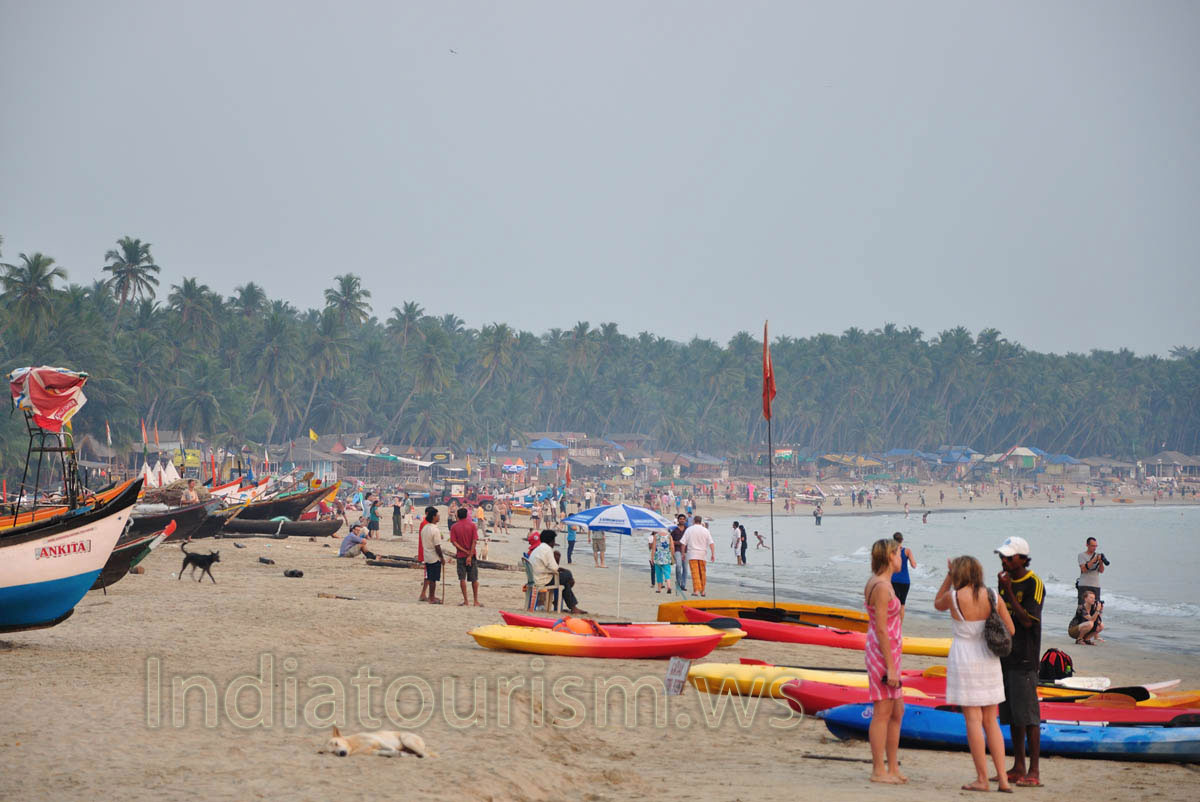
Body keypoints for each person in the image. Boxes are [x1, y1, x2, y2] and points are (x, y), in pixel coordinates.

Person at [935, 556, 1015, 793]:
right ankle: (1002, 779)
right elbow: (1010, 629)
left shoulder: (954, 597)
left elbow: (937, 603)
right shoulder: (992, 594)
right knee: (992, 720)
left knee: (973, 720)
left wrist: (948, 575)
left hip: (965, 658)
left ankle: (981, 778)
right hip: (989, 658)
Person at [995, 536, 1044, 787]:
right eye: (1002, 557)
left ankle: (1033, 771)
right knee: (1013, 715)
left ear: (1022, 559)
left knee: (1029, 715)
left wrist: (1010, 592)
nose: (1004, 561)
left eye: (1009, 557)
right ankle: (1018, 766)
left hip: (1025, 656)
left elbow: (1027, 621)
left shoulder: (1033, 583)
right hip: (1006, 656)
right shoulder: (1005, 582)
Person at [864, 538, 906, 784]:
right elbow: (880, 628)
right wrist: (890, 665)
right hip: (882, 654)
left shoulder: (885, 584)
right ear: (890, 556)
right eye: (898, 553)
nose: (901, 557)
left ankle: (893, 767)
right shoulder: (880, 586)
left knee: (897, 710)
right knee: (883, 711)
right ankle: (879, 770)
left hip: (890, 652)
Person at [529, 530, 585, 613]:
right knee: (568, 575)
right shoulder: (547, 549)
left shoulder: (539, 548)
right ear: (552, 541)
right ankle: (567, 604)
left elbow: (551, 567)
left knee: (565, 581)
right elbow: (555, 568)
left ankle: (570, 606)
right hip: (543, 580)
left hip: (535, 578)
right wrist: (565, 571)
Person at [449, 507, 481, 607]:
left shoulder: (454, 527)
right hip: (471, 555)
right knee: (474, 579)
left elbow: (454, 542)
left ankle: (466, 600)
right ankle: (475, 601)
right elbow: (474, 541)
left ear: (458, 515)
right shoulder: (472, 526)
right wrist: (470, 555)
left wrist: (464, 551)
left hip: (461, 555)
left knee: (462, 578)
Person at [681, 515, 714, 596]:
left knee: (695, 572)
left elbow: (683, 543)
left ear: (693, 521)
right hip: (702, 554)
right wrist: (713, 554)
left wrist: (683, 553)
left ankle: (696, 590)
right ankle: (702, 591)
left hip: (692, 554)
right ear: (700, 521)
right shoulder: (705, 530)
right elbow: (711, 543)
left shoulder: (689, 529)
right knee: (702, 572)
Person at [419, 507, 446, 604]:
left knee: (430, 577)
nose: (439, 517)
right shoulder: (435, 530)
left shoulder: (425, 528)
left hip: (427, 555)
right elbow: (437, 546)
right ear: (433, 517)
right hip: (434, 557)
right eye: (437, 515)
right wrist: (442, 558)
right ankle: (431, 598)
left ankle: (431, 596)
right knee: (433, 579)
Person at [890, 533, 917, 617]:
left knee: (893, 603)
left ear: (893, 540)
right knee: (902, 605)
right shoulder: (907, 551)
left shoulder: (891, 551)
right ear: (902, 540)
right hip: (905, 581)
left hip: (894, 580)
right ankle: (899, 627)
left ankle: (893, 624)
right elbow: (914, 565)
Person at [1077, 536, 1105, 604]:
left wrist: (1101, 562)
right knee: (1082, 608)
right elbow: (1083, 569)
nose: (1094, 548)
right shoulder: (1081, 555)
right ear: (1087, 545)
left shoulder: (1098, 555)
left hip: (1095, 586)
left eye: (1096, 546)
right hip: (1084, 585)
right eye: (1092, 546)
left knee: (1095, 607)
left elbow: (1101, 571)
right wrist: (1094, 560)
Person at [670, 513, 688, 592]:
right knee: (678, 566)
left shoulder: (688, 529)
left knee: (685, 568)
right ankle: (678, 582)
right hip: (677, 550)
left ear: (685, 520)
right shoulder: (674, 529)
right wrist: (678, 543)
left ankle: (683, 585)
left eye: (683, 519)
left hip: (686, 551)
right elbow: (670, 540)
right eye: (680, 519)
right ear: (678, 520)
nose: (682, 520)